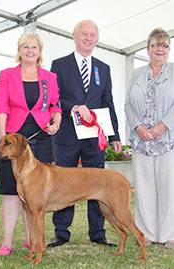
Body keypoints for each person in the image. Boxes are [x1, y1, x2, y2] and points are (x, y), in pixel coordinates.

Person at [48, 20, 122, 248]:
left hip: (94, 138)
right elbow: (54, 98)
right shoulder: (59, 65)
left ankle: (98, 232)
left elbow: (108, 102)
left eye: (92, 35)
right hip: (67, 136)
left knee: (97, 184)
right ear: (74, 36)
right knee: (62, 185)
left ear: (97, 39)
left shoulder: (104, 67)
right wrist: (72, 108)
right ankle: (61, 232)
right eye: (84, 34)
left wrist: (115, 136)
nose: (88, 38)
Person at [0, 32, 62, 255]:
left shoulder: (49, 77)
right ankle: (6, 241)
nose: (30, 51)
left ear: (40, 51)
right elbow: (1, 106)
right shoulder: (7, 75)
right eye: (25, 47)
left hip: (41, 138)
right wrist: (3, 137)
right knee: (11, 191)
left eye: (34, 47)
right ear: (19, 51)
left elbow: (54, 105)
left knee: (35, 192)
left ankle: (31, 239)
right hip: (14, 139)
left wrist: (57, 121)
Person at [125, 28, 174, 249]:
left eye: (164, 45)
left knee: (168, 188)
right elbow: (127, 104)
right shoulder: (136, 74)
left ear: (169, 49)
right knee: (144, 188)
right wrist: (138, 127)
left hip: (167, 140)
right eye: (155, 45)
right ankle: (146, 233)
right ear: (147, 49)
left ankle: (169, 234)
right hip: (141, 141)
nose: (160, 49)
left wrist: (164, 126)